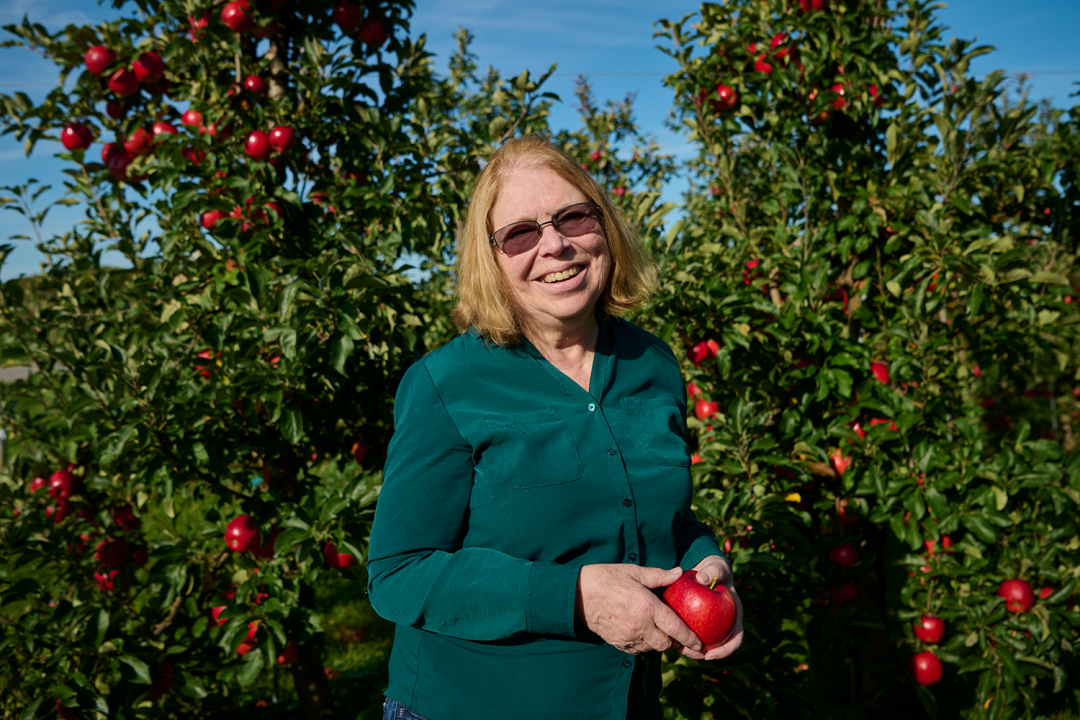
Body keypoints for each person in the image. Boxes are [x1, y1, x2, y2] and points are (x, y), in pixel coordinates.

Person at [366, 134, 743, 720]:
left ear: (605, 228)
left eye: (574, 217)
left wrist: (706, 563)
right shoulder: (447, 384)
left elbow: (662, 517)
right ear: (490, 261)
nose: (556, 245)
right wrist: (573, 598)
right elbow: (398, 573)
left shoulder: (652, 365)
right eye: (520, 233)